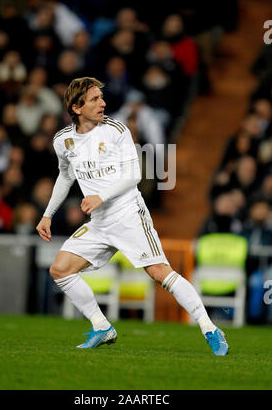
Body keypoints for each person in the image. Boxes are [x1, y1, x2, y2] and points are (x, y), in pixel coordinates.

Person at [36, 77, 228, 354]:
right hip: (99, 223)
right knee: (60, 269)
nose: (103, 103)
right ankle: (102, 326)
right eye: (94, 99)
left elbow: (134, 174)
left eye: (101, 97)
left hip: (128, 215)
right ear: (77, 107)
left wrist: (101, 197)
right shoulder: (62, 140)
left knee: (160, 272)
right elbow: (65, 177)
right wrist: (47, 214)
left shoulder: (116, 130)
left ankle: (210, 328)